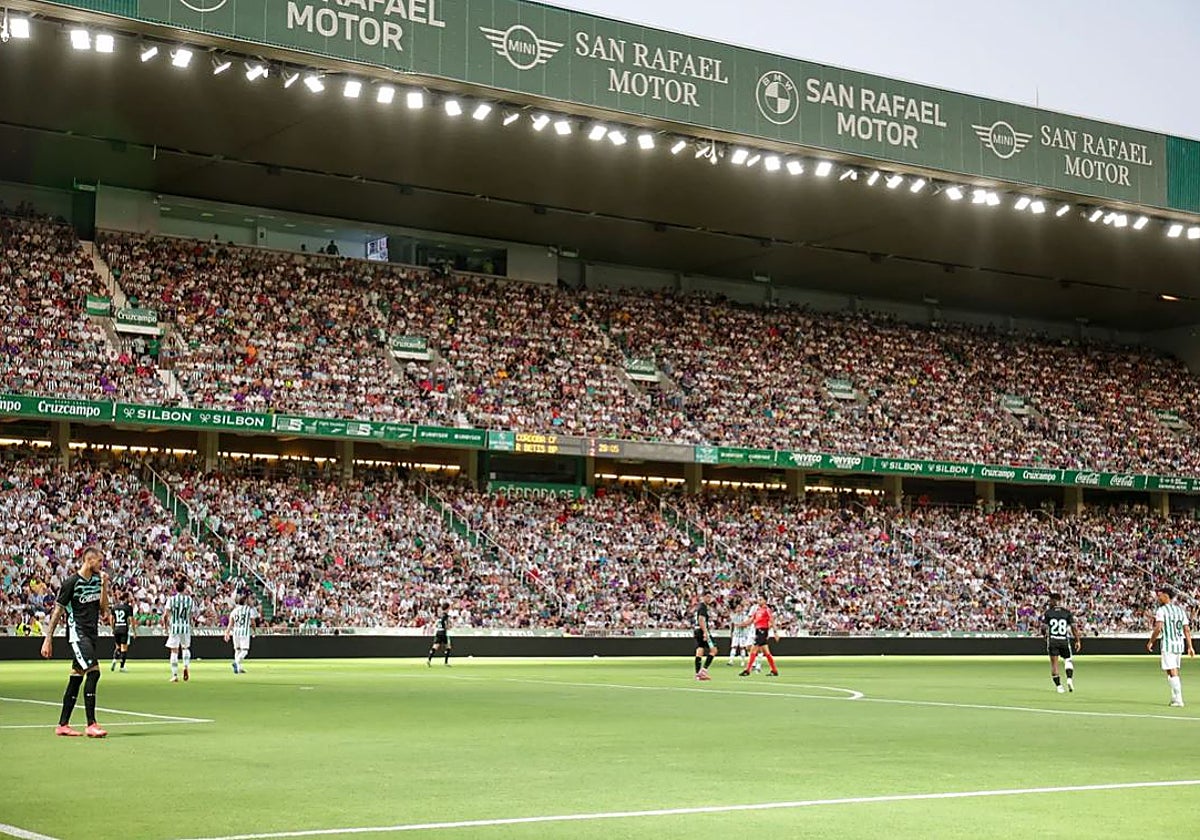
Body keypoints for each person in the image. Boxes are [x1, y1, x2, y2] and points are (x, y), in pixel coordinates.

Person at [40, 546, 109, 737]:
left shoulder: (97, 580)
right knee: (94, 672)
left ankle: (63, 725)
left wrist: (104, 586)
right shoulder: (71, 582)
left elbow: (104, 610)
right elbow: (58, 611)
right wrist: (48, 638)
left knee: (76, 678)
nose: (102, 565)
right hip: (77, 634)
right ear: (89, 560)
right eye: (99, 561)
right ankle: (91, 724)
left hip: (92, 634)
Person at [1147, 586, 1195, 707]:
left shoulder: (1161, 610)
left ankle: (1179, 698)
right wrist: (1190, 646)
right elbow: (1186, 629)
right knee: (1171, 670)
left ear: (1166, 596)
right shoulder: (1180, 610)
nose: (1158, 598)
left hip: (1168, 644)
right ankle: (1174, 697)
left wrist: (1151, 641)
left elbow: (1158, 628)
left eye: (1160, 595)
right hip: (1179, 644)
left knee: (1172, 670)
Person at [1042, 593, 1081, 693]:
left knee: (1054, 665)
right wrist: (1077, 640)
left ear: (1054, 601)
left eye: (1050, 601)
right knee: (1068, 660)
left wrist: (1045, 635)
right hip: (1064, 640)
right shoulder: (1066, 613)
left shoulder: (1048, 613)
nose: (1049, 603)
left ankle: (1059, 686)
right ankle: (1069, 679)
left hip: (1053, 641)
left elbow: (1043, 628)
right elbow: (1073, 628)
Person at [164, 578, 196, 683]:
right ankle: (186, 666)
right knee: (185, 648)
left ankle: (174, 675)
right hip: (185, 627)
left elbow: (165, 615)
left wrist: (166, 626)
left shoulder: (171, 599)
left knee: (174, 651)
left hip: (174, 627)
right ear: (184, 588)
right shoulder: (189, 600)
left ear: (176, 588)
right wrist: (190, 623)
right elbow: (191, 615)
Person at [738, 597, 779, 677]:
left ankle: (747, 670)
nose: (758, 601)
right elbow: (751, 620)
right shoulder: (757, 610)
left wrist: (775, 632)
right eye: (758, 599)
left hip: (762, 631)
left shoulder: (767, 610)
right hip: (758, 631)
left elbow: (772, 621)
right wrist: (742, 624)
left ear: (765, 601)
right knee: (766, 652)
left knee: (753, 650)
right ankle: (774, 670)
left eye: (761, 599)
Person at [224, 597, 256, 674]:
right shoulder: (249, 610)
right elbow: (252, 622)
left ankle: (238, 668)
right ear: (245, 602)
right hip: (244, 632)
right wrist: (254, 630)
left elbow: (231, 623)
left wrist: (227, 632)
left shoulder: (234, 610)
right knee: (245, 651)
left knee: (237, 650)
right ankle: (236, 662)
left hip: (235, 632)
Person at [692, 593, 718, 681]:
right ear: (703, 597)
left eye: (710, 597)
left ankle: (698, 674)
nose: (709, 599)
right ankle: (703, 671)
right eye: (707, 597)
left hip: (697, 630)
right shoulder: (703, 607)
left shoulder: (700, 606)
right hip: (702, 630)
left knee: (700, 650)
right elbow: (701, 619)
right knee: (714, 650)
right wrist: (705, 632)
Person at [110, 592, 137, 673]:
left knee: (117, 647)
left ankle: (114, 659)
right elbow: (131, 620)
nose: (130, 598)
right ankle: (122, 667)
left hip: (116, 628)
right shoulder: (128, 607)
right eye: (129, 597)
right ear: (126, 598)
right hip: (124, 628)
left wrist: (113, 628)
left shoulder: (115, 607)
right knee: (123, 648)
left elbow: (111, 619)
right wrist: (134, 631)